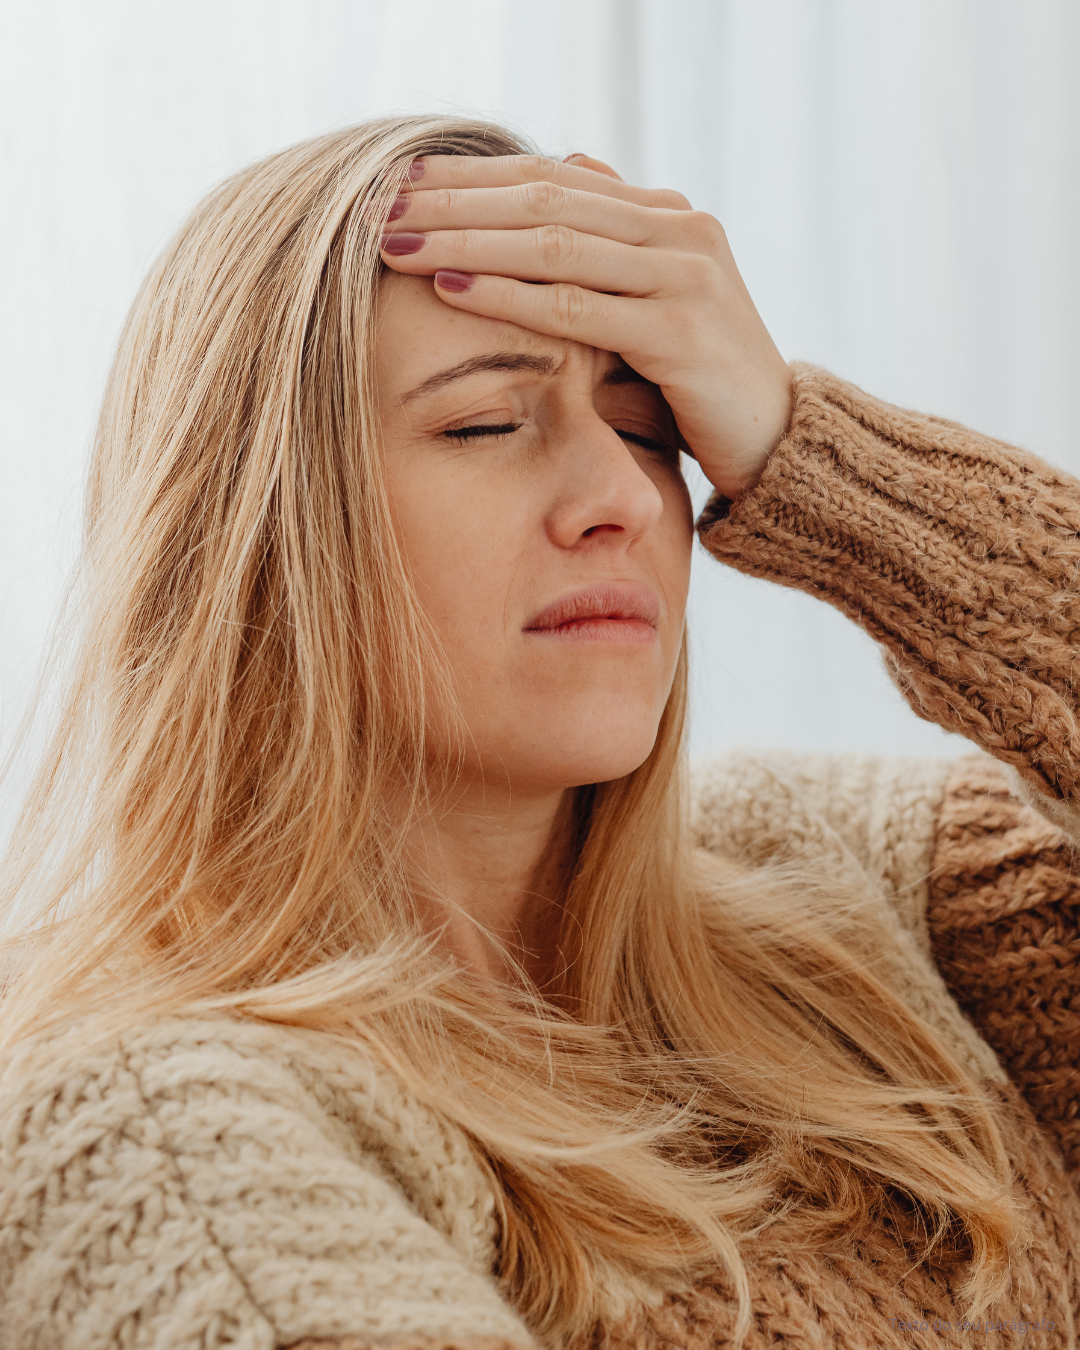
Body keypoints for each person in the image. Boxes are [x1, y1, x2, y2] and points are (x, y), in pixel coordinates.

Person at [0, 115, 1076, 1350]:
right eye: (484, 425)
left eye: (648, 425)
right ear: (254, 540)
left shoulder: (850, 891)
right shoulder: (158, 1126)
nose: (625, 498)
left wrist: (810, 449)